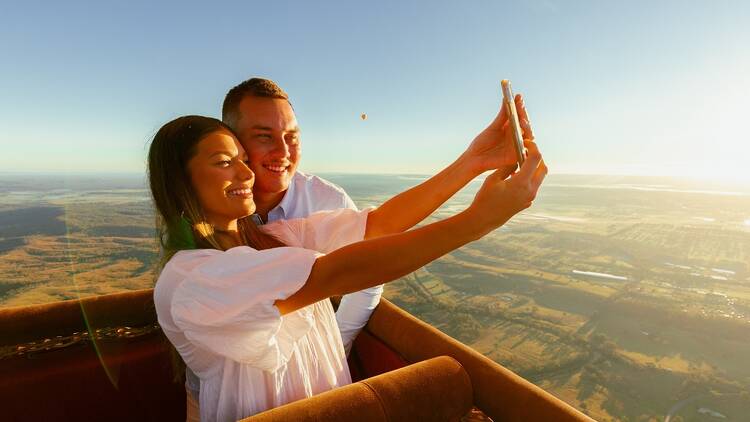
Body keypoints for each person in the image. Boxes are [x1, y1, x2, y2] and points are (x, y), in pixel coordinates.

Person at [151, 99, 545, 422]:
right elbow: (338, 272)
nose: (246, 172)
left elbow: (380, 224)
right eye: (223, 162)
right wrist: (478, 221)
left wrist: (474, 160)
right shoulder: (192, 279)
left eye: (241, 158)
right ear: (181, 182)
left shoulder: (272, 240)